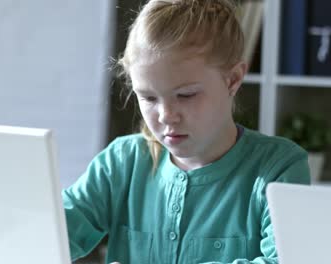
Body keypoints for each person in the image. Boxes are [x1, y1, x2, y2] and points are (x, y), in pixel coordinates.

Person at [63, 0, 310, 263]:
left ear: (233, 80)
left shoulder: (281, 168)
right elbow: (53, 231)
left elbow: (283, 260)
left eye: (186, 95)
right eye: (148, 97)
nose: (166, 115)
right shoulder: (121, 162)